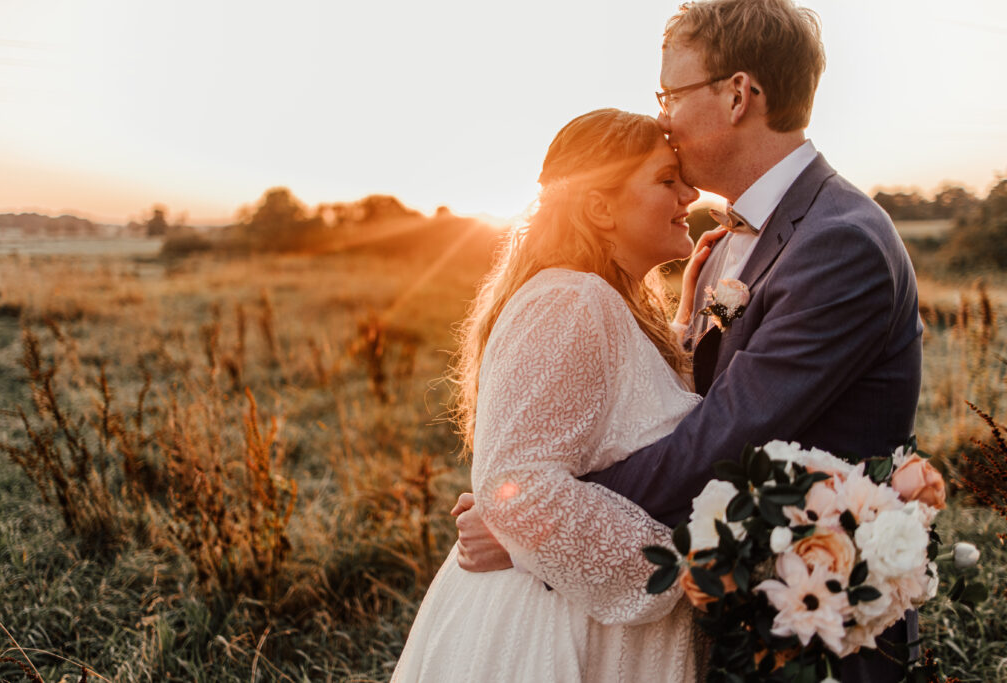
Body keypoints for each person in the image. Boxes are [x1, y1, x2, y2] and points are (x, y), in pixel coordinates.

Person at [453, 1, 924, 681]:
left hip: (817, 624)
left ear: (737, 95)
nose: (664, 115)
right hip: (729, 613)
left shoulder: (837, 242)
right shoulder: (724, 244)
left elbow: (727, 441)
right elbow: (677, 407)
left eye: (671, 92)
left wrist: (538, 518)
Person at [391, 108, 722, 682]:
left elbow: (620, 423)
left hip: (587, 613)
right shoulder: (570, 301)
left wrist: (688, 324)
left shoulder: (603, 303)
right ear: (600, 208)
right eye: (667, 180)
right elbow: (518, 489)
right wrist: (678, 569)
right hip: (560, 633)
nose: (690, 193)